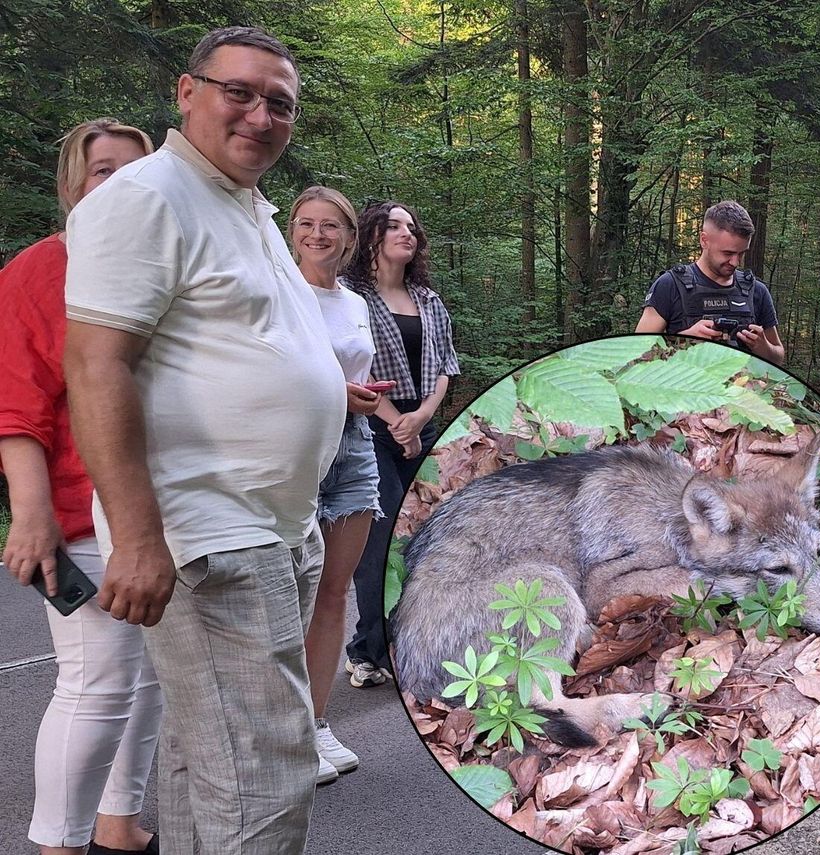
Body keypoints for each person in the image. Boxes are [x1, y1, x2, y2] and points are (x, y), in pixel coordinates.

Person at [63, 27, 345, 854]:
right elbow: (96, 364)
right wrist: (140, 539)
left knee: (206, 757)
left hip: (275, 525)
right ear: (187, 94)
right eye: (241, 92)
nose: (260, 115)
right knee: (263, 774)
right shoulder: (146, 196)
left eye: (280, 104)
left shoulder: (243, 203)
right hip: (208, 534)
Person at [1, 118, 160, 855]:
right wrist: (30, 513)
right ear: (72, 186)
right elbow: (15, 403)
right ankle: (56, 844)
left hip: (159, 516)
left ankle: (118, 825)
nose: (122, 182)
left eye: (136, 170)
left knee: (147, 680)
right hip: (75, 515)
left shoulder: (161, 266)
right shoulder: (39, 270)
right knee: (95, 681)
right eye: (104, 170)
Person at [286, 186, 384, 783]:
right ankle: (286, 733)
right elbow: (262, 375)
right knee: (286, 596)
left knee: (332, 594)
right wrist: (331, 392)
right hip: (295, 449)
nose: (317, 234)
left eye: (330, 226)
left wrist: (366, 401)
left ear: (350, 238)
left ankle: (317, 724)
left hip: (354, 447)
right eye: (306, 224)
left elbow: (358, 370)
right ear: (291, 231)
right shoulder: (277, 293)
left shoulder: (353, 303)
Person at [340, 200, 460, 688]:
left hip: (422, 423)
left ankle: (413, 638)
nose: (406, 233)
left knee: (423, 539)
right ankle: (369, 649)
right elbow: (350, 364)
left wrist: (422, 417)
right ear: (370, 235)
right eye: (393, 226)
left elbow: (446, 365)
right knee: (378, 542)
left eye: (412, 226)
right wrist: (395, 423)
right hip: (369, 426)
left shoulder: (429, 300)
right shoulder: (351, 297)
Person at [635, 200, 785, 364]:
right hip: (685, 386)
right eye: (728, 253)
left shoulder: (756, 291)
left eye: (741, 253)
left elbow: (778, 357)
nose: (735, 262)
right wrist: (683, 341)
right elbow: (636, 353)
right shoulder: (670, 286)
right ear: (704, 240)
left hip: (742, 388)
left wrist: (763, 348)